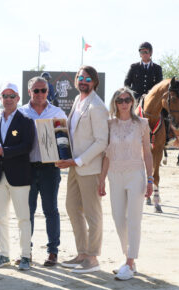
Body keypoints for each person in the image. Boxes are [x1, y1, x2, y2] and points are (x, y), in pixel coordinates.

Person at [57, 66, 109, 273]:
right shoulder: (78, 102)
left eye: (87, 78)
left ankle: (93, 258)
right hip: (73, 166)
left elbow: (101, 142)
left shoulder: (98, 106)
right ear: (75, 81)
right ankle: (82, 253)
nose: (83, 81)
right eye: (80, 77)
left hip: (89, 168)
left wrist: (77, 160)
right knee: (72, 208)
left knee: (92, 214)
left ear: (94, 82)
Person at [98, 87, 153, 280]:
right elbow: (107, 154)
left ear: (132, 102)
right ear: (115, 102)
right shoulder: (109, 124)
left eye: (127, 99)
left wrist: (150, 179)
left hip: (136, 174)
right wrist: (102, 179)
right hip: (114, 175)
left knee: (134, 219)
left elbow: (147, 153)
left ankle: (129, 263)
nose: (123, 103)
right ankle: (129, 258)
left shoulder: (142, 124)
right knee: (118, 218)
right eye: (120, 100)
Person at [19, 76, 67, 266]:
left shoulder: (57, 112)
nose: (40, 94)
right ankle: (26, 251)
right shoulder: (21, 112)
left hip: (50, 168)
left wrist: (63, 157)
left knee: (51, 210)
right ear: (29, 92)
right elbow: (12, 134)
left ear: (48, 92)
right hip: (26, 168)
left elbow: (64, 139)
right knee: (26, 211)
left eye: (43, 90)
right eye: (36, 90)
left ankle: (53, 252)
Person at [0, 83, 35, 271]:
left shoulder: (26, 120)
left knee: (23, 218)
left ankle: (25, 256)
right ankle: (3, 254)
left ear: (18, 99)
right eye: (5, 96)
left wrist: (4, 151)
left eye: (11, 96)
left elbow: (27, 147)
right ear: (2, 99)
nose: (8, 99)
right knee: (1, 218)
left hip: (19, 176)